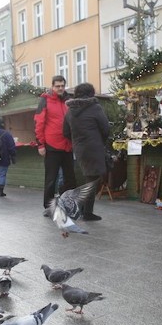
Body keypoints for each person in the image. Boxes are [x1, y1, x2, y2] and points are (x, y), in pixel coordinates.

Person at [63, 82, 110, 221]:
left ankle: (84, 210)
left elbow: (65, 132)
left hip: (79, 149)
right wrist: (98, 140)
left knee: (89, 178)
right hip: (94, 148)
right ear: (91, 93)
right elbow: (106, 128)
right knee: (92, 181)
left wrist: (77, 141)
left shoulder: (70, 111)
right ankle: (85, 212)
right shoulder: (95, 107)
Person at [35, 75, 76, 214]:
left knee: (70, 178)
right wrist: (40, 144)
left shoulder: (69, 101)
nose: (60, 88)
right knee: (51, 178)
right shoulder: (45, 100)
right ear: (52, 86)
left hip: (68, 145)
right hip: (52, 145)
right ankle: (48, 206)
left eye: (62, 86)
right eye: (57, 86)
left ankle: (68, 204)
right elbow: (39, 122)